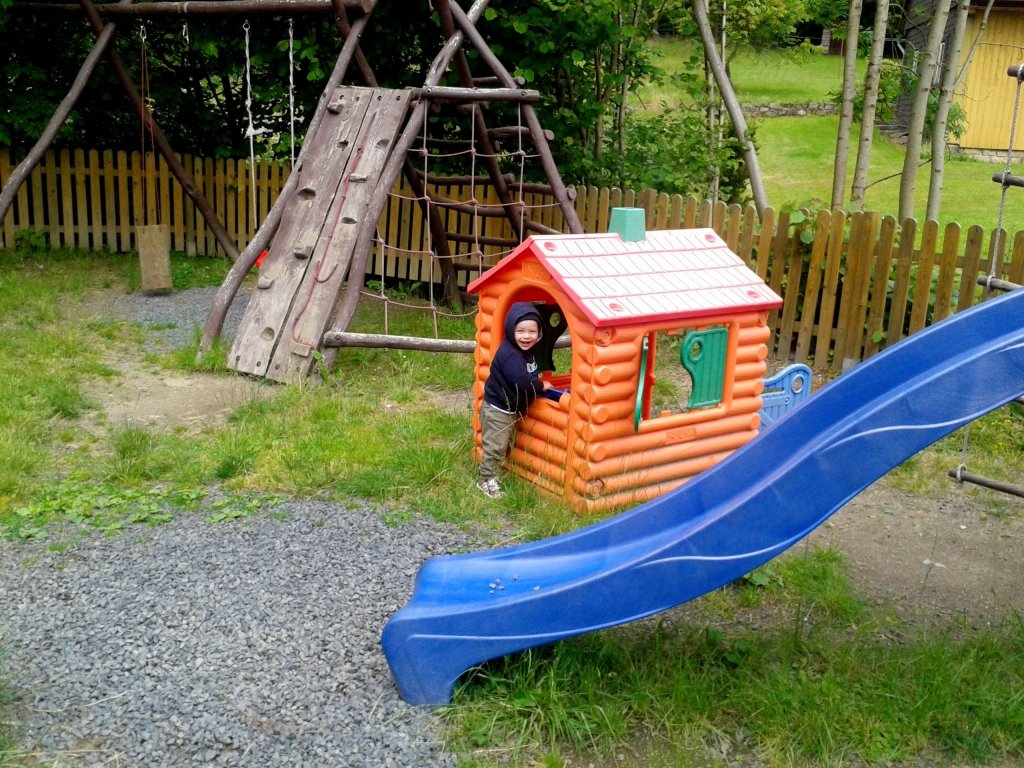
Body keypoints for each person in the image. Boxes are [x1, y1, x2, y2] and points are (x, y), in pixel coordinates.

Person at [477, 302, 552, 499]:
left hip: (508, 408)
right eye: (520, 331)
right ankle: (486, 480)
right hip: (498, 409)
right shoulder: (510, 354)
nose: (526, 336)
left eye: (532, 331)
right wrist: (541, 386)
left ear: (539, 332)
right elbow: (522, 381)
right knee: (496, 446)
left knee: (502, 444)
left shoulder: (525, 351)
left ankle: (492, 471)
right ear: (511, 330)